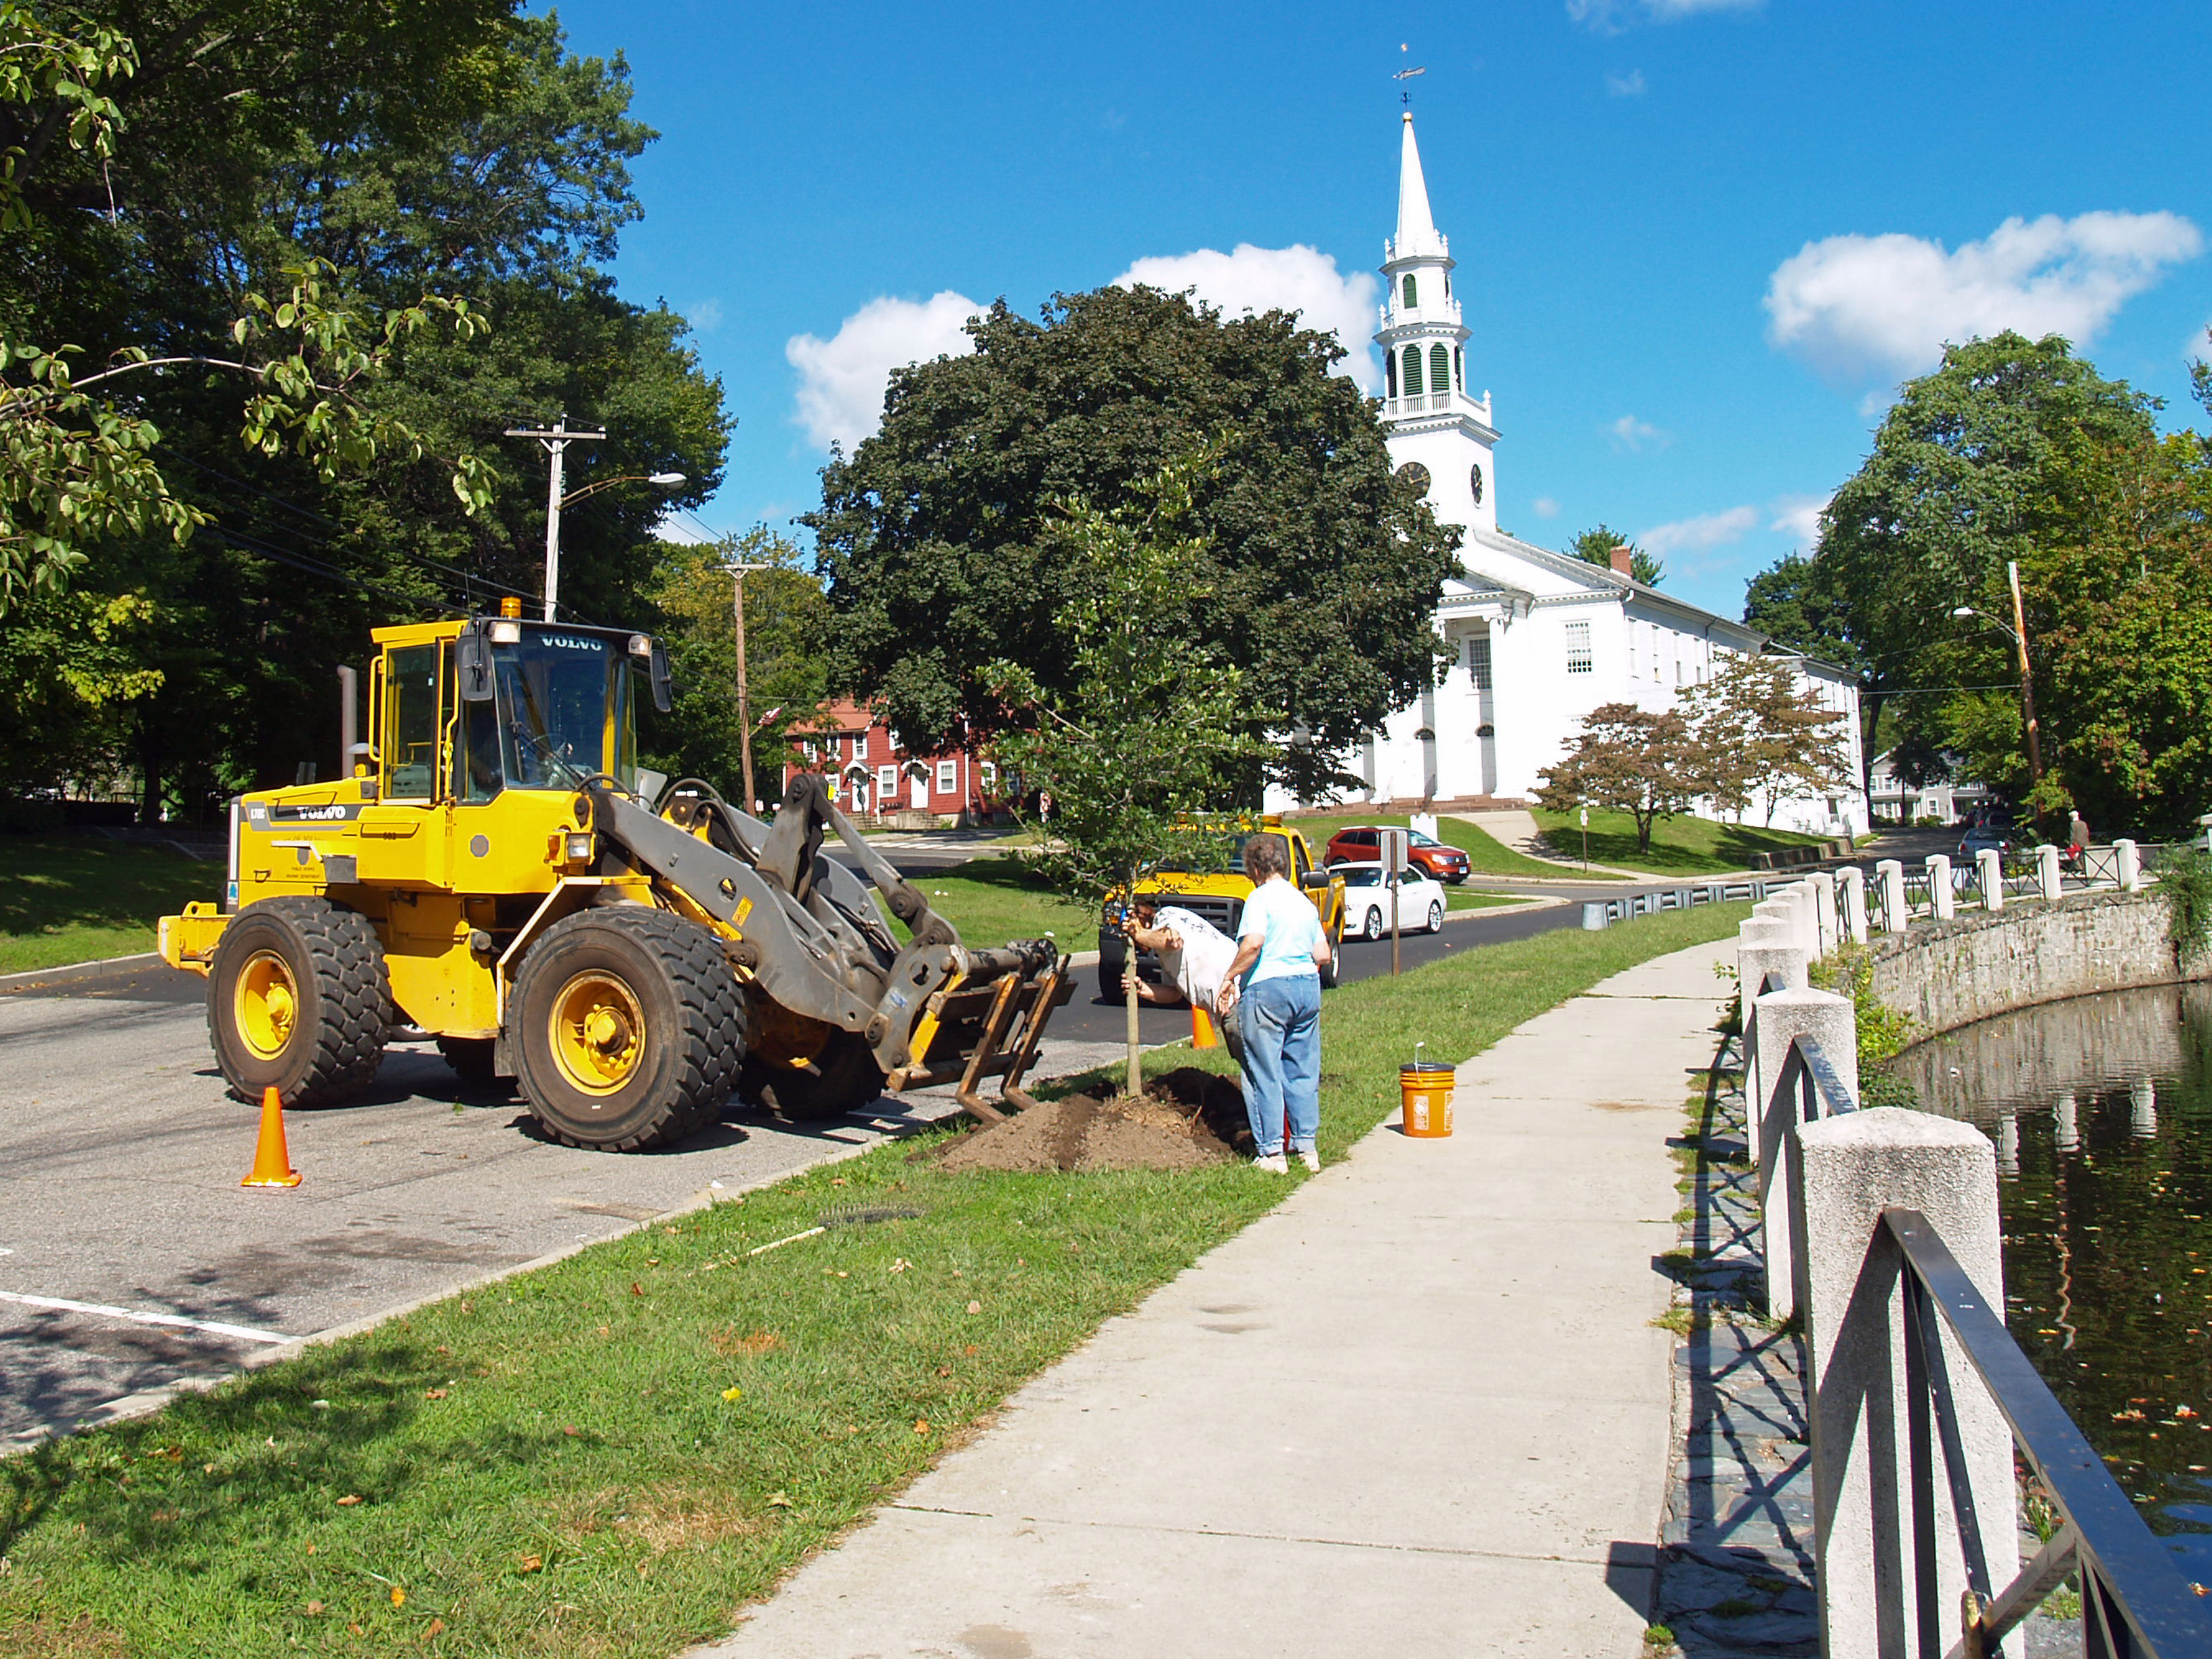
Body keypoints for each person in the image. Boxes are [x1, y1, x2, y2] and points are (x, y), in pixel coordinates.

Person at [1216, 832, 1330, 1174]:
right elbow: (1321, 953)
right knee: (1302, 1070)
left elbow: (1253, 944)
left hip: (1268, 991)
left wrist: (1229, 976)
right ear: (1282, 863)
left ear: (1253, 868)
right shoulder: (1303, 902)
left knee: (1262, 1070)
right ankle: (1307, 1148)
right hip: (1307, 989)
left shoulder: (1259, 899)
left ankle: (1271, 1153)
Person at [1122, 894, 1243, 1061]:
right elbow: (1174, 993)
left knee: (1259, 1072)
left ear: (1142, 918)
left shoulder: (1165, 917)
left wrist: (1139, 933)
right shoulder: (1166, 955)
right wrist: (1142, 989)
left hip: (1237, 998)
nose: (1139, 945)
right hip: (1228, 1007)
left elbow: (1173, 941)